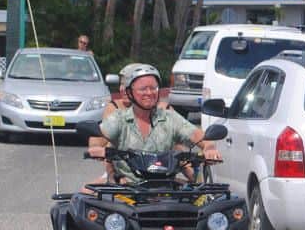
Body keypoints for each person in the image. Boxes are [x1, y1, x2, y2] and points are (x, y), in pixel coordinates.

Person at [87, 65, 219, 186]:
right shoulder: (119, 119)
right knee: (84, 199)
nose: (149, 93)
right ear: (130, 92)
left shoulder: (170, 118)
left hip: (165, 190)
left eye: (153, 88)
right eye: (143, 89)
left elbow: (199, 137)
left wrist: (210, 148)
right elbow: (97, 137)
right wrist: (96, 148)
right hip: (125, 189)